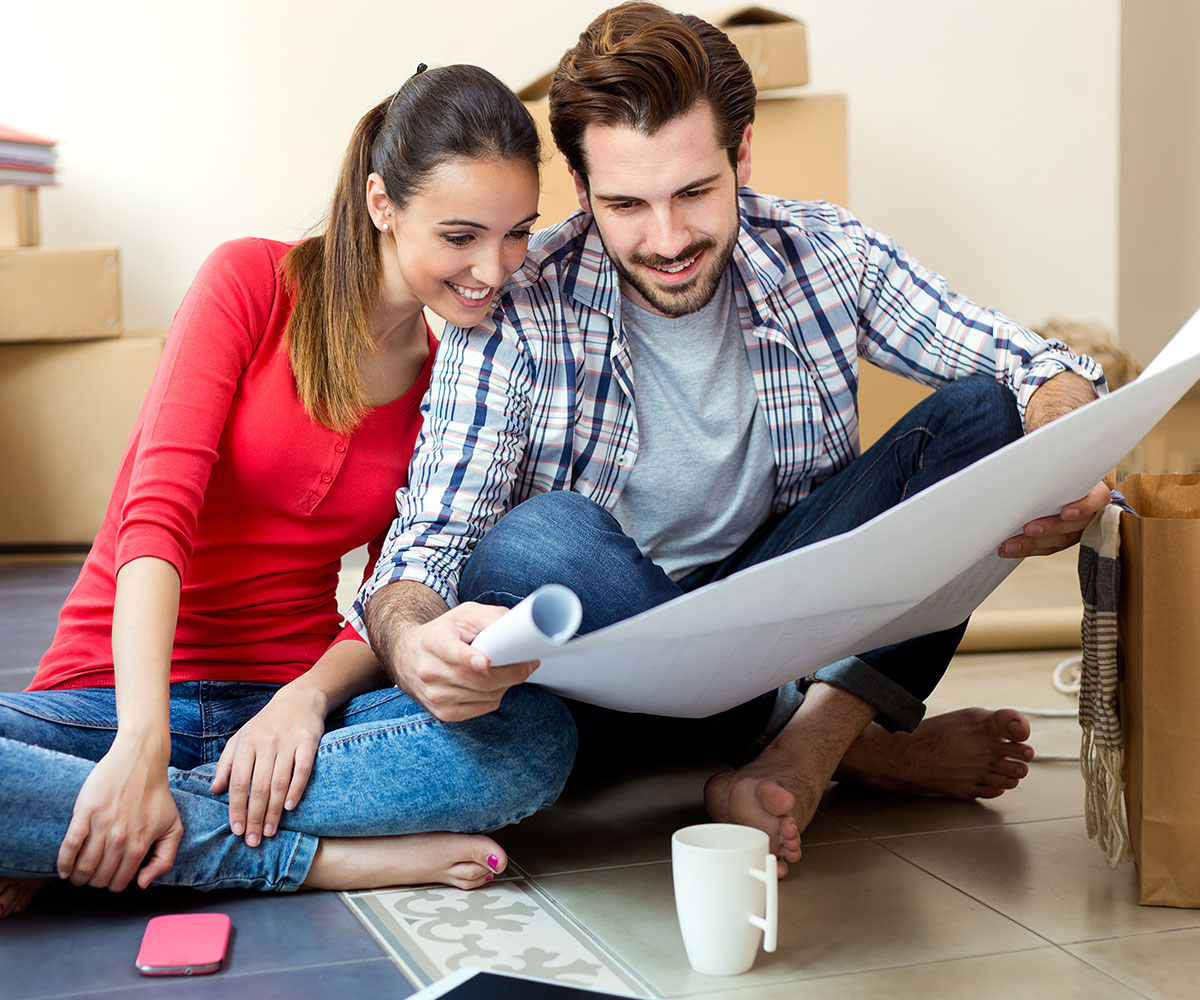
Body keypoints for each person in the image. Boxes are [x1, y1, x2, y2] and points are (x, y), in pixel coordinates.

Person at [353, 4, 1111, 875]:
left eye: (695, 193)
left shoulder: (823, 253)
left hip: (772, 613)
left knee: (986, 416)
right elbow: (427, 547)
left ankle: (803, 749)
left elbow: (1037, 364)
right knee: (539, 540)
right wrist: (411, 640)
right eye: (627, 204)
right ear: (577, 181)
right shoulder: (521, 306)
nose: (668, 239)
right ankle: (836, 738)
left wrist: (1061, 451)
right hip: (607, 672)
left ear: (741, 153)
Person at [0, 64, 576, 920]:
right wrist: (138, 745)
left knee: (532, 740)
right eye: (460, 236)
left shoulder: (462, 371)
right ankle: (308, 860)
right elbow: (151, 521)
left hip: (290, 707)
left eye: (516, 234)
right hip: (109, 694)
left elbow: (401, 586)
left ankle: (78, 833)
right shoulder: (248, 282)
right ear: (382, 203)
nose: (495, 270)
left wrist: (303, 698)